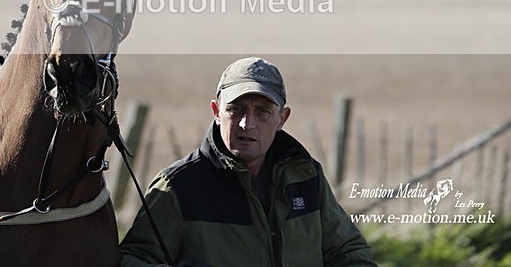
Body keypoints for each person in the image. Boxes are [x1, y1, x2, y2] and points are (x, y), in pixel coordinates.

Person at [120, 57, 376, 266]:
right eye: (236, 109)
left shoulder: (305, 176)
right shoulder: (177, 187)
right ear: (216, 112)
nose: (246, 123)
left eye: (262, 111)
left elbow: (349, 252)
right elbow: (134, 259)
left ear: (282, 119)